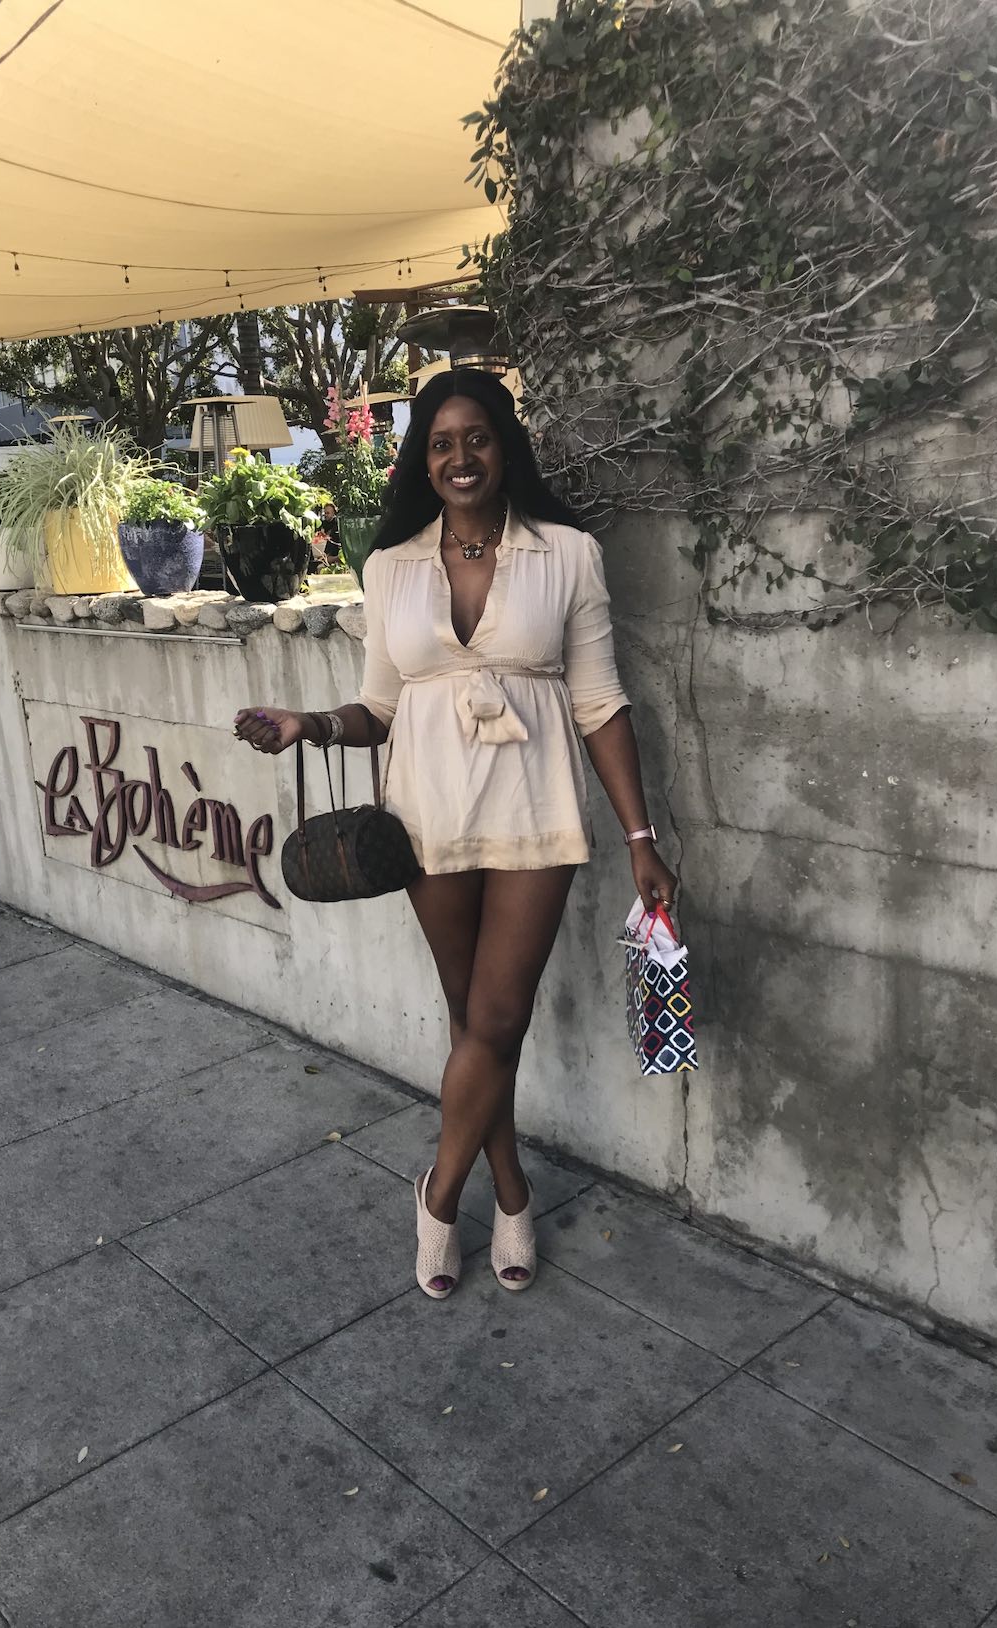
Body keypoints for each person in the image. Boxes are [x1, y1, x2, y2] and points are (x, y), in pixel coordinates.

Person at [234, 369, 676, 1300]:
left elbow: (600, 703)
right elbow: (380, 708)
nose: (459, 456)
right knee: (473, 1021)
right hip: (427, 816)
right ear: (421, 460)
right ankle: (511, 1191)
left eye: (476, 437)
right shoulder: (389, 566)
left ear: (504, 446)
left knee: (499, 1016)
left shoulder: (568, 554)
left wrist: (640, 836)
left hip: (534, 811)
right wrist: (310, 724)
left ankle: (438, 1194)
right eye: (440, 443)